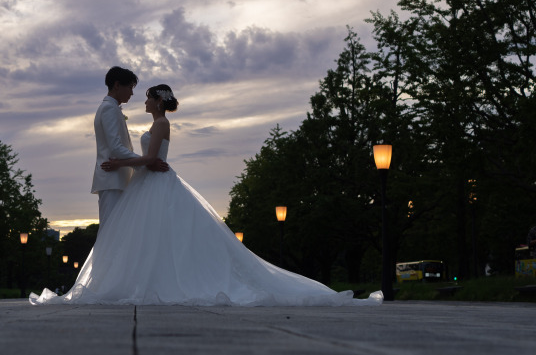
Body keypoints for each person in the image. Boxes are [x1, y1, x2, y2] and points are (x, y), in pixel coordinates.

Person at [31, 85, 382, 306]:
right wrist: (129, 162)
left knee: (158, 236)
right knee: (155, 238)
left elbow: (153, 160)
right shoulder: (155, 124)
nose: (144, 101)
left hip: (154, 183)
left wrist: (120, 161)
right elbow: (151, 161)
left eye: (148, 97)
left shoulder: (161, 125)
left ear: (158, 101)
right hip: (149, 183)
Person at [91, 66, 167, 231]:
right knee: (110, 232)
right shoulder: (109, 108)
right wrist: (145, 163)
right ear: (117, 85)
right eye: (130, 87)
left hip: (118, 178)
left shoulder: (111, 108)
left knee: (118, 232)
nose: (132, 93)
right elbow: (116, 147)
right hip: (112, 178)